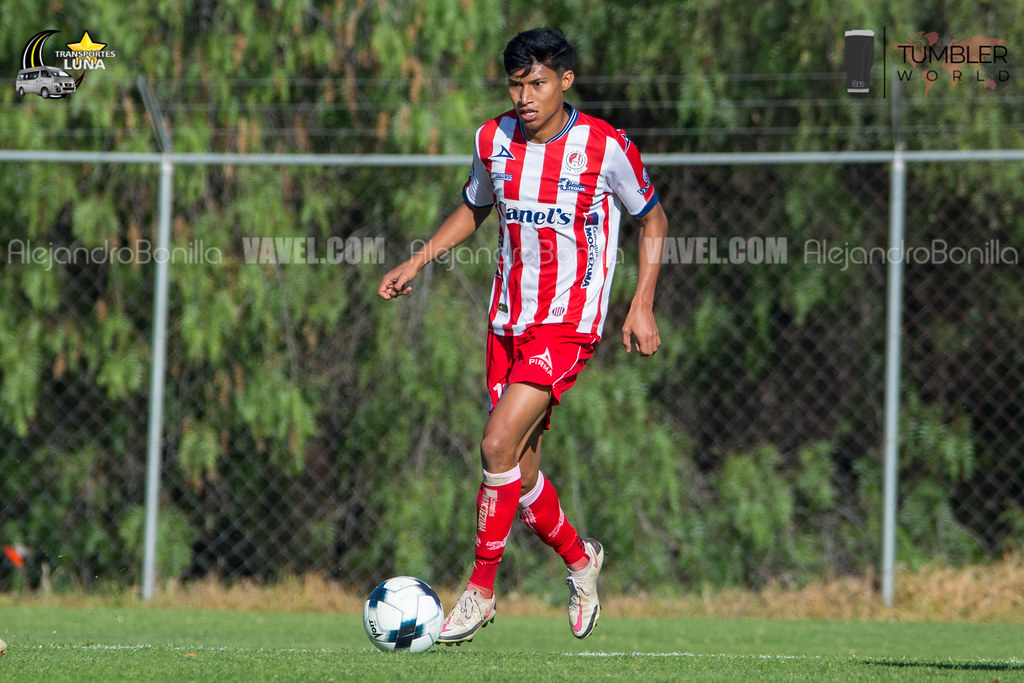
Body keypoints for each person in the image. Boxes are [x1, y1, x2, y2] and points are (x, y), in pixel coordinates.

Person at [377, 27, 667, 644]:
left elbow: (652, 218)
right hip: (507, 321)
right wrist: (418, 259)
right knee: (521, 472)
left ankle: (480, 591)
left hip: (569, 323)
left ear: (565, 80)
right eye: (516, 83)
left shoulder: (602, 146)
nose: (525, 96)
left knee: (494, 443)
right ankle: (581, 560)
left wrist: (640, 304)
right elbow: (475, 207)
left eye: (537, 83)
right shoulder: (493, 139)